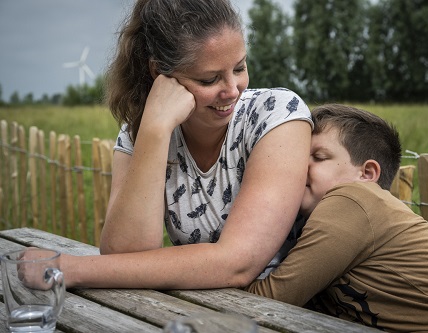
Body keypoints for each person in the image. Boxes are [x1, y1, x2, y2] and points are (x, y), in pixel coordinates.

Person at [55, 0, 312, 289]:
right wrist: (155, 128)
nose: (231, 91)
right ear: (160, 73)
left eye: (239, 68)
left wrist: (73, 269)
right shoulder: (142, 133)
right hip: (199, 312)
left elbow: (238, 264)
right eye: (209, 79)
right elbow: (125, 253)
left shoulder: (276, 114)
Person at [245, 104, 428, 332]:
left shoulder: (353, 199)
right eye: (300, 156)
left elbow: (266, 302)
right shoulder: (341, 220)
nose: (300, 165)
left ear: (367, 174)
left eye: (319, 157)